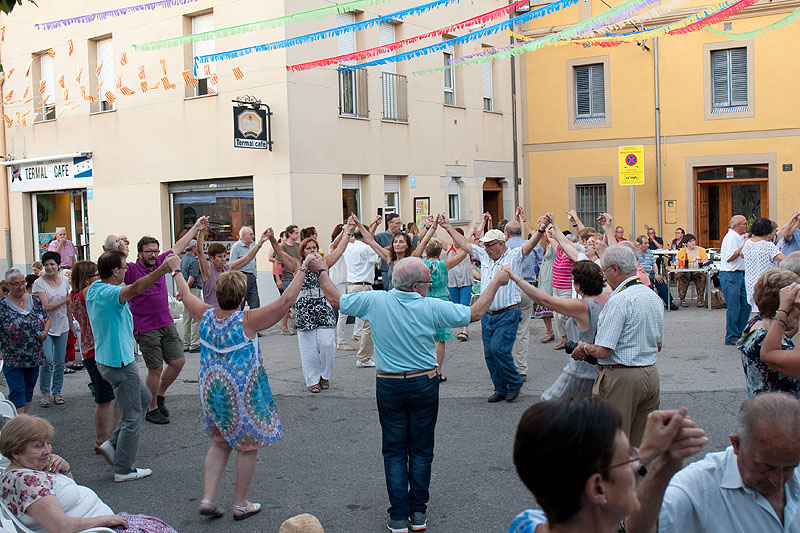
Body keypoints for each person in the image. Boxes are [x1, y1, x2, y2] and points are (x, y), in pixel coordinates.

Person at [313, 255, 514, 533]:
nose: (430, 287)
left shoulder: (375, 300)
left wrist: (321, 270)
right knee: (420, 450)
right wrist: (496, 282)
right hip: (423, 381)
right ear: (417, 285)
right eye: (428, 283)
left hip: (389, 383)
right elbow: (476, 312)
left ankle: (398, 516)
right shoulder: (431, 306)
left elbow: (336, 299)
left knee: (394, 450)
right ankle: (417, 513)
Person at [168, 254, 310, 521]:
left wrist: (176, 271)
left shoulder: (206, 315)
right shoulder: (247, 320)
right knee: (247, 446)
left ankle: (209, 497)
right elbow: (286, 301)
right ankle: (240, 502)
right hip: (241, 394)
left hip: (213, 391)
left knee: (219, 443)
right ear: (242, 295)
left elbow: (186, 295)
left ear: (217, 293)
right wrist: (303, 268)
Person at [510, 398, 707, 533]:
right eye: (630, 456)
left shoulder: (525, 523)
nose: (636, 464)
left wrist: (657, 459)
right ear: (597, 488)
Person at [637, 392, 800, 532]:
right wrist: (663, 467)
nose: (777, 481)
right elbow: (641, 529)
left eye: (789, 468)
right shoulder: (699, 486)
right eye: (766, 467)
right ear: (737, 444)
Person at [87, 249, 179, 482]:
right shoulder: (109, 292)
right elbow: (136, 288)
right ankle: (123, 469)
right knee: (132, 415)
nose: (127, 271)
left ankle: (112, 445)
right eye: (124, 268)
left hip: (111, 359)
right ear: (115, 271)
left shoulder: (95, 289)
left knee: (143, 398)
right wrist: (164, 269)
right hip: (118, 362)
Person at [0, 414, 179, 532]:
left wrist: (65, 471)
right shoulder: (28, 482)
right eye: (38, 446)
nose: (47, 450)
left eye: (47, 443)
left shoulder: (19, 471)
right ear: (16, 452)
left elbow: (66, 496)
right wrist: (105, 520)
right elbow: (61, 526)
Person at [442, 215, 544, 403]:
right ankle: (500, 388)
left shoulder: (513, 256)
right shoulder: (484, 255)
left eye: (490, 245)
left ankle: (514, 382)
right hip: (488, 314)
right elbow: (465, 245)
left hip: (508, 312)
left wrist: (541, 230)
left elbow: (530, 245)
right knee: (489, 353)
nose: (486, 248)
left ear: (502, 243)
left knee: (499, 349)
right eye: (485, 245)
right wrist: (448, 227)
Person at [572, 245, 664, 447]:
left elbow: (603, 350)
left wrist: (584, 348)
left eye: (604, 272)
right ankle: (637, 478)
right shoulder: (652, 297)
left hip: (622, 377)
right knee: (639, 444)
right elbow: (658, 344)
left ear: (615, 269)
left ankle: (613, 478)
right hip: (650, 373)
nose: (605, 278)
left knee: (612, 442)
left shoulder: (618, 301)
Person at [125, 217, 207, 425]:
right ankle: (151, 408)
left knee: (178, 361)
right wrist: (118, 247)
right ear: (139, 253)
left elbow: (178, 247)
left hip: (166, 322)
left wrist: (196, 227)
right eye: (149, 252)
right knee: (155, 368)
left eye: (155, 251)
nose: (153, 255)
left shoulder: (162, 261)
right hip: (145, 327)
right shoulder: (132, 270)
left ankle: (159, 395)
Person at [505, 261, 608, 400]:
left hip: (580, 372)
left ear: (577, 286)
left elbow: (545, 300)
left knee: (548, 406)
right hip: (599, 371)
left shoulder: (583, 306)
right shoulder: (608, 299)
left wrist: (516, 277)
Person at [268, 223, 351, 393]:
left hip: (324, 308)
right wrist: (271, 238)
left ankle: (324, 375)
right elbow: (281, 254)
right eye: (308, 249)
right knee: (309, 349)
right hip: (305, 310)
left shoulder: (325, 262)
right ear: (303, 252)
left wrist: (348, 232)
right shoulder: (297, 265)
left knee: (327, 344)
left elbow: (340, 249)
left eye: (314, 248)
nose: (312, 251)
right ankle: (312, 380)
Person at [70, 260, 120, 456]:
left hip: (88, 349)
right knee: (104, 399)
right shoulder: (86, 293)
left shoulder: (74, 295)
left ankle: (105, 437)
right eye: (95, 275)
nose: (99, 278)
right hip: (96, 350)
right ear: (88, 278)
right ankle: (102, 439)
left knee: (105, 396)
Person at [736, 268, 800, 397]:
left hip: (761, 410)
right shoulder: (764, 341)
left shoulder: (755, 325)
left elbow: (778, 337)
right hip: (780, 412)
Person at [419, 217, 468, 381]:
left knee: (426, 336)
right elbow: (463, 254)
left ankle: (425, 369)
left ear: (427, 251)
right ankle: (438, 371)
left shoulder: (421, 265)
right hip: (440, 301)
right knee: (440, 338)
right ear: (440, 251)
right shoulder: (444, 265)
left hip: (424, 300)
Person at [0, 269, 49, 414]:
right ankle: (17, 426)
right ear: (8, 285)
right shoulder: (2, 305)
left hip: (34, 355)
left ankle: (24, 421)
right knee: (17, 391)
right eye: (16, 284)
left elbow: (46, 319)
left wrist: (45, 332)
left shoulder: (35, 300)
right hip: (12, 357)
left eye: (23, 283)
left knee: (28, 390)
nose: (21, 286)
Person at [32, 251, 70, 408]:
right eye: (46, 265)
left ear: (58, 265)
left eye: (52, 264)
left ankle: (57, 392)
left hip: (63, 324)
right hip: (45, 326)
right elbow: (45, 306)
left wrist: (70, 320)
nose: (49, 267)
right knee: (47, 360)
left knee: (60, 361)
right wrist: (65, 299)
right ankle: (45, 393)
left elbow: (69, 305)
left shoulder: (65, 280)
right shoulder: (39, 283)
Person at [341, 224, 381, 368]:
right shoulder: (366, 248)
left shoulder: (349, 247)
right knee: (368, 324)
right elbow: (378, 257)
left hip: (351, 285)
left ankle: (361, 351)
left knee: (353, 318)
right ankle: (364, 357)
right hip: (363, 286)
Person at [197, 228, 267, 308]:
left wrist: (260, 242)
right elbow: (200, 252)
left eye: (224, 256)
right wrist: (201, 231)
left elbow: (247, 257)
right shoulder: (208, 272)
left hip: (232, 314)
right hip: (215, 315)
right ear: (212, 258)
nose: (223, 259)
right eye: (219, 257)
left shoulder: (227, 268)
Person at [506, 212, 538, 381]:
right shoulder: (528, 244)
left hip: (511, 289)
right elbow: (539, 253)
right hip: (529, 289)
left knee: (506, 330)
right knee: (523, 331)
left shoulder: (504, 246)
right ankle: (522, 368)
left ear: (506, 233)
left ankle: (507, 366)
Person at [719, 215, 750, 345]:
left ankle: (740, 332)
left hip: (738, 274)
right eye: (744, 223)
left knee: (746, 304)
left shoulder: (737, 237)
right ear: (737, 225)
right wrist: (743, 248)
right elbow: (729, 257)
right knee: (734, 306)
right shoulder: (731, 237)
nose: (746, 226)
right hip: (730, 274)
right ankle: (732, 336)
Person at [743, 217, 785, 314]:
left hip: (750, 282)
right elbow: (783, 259)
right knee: (769, 311)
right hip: (765, 281)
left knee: (759, 311)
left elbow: (742, 254)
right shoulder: (767, 245)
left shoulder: (748, 243)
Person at [328, 224, 356, 351]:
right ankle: (340, 341)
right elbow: (334, 244)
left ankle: (353, 335)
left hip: (347, 280)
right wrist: (343, 232)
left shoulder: (348, 247)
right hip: (338, 280)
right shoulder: (333, 247)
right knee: (343, 311)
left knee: (347, 310)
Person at [374, 213, 418, 290]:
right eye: (397, 223)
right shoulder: (381, 236)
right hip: (387, 271)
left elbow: (421, 238)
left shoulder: (404, 236)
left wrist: (429, 227)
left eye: (400, 223)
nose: (400, 225)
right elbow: (370, 240)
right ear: (389, 224)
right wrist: (375, 224)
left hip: (403, 271)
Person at [446, 227, 474, 343]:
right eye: (453, 237)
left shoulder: (466, 247)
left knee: (464, 306)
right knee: (456, 306)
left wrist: (483, 223)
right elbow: (435, 237)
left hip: (466, 281)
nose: (454, 240)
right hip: (452, 282)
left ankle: (465, 330)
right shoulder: (448, 247)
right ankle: (460, 329)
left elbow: (472, 233)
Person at [636, 235, 677, 310]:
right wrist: (645, 275)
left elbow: (654, 265)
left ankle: (669, 302)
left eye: (648, 243)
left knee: (660, 281)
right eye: (645, 243)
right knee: (649, 283)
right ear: (639, 245)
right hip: (640, 274)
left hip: (650, 272)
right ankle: (650, 304)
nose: (648, 245)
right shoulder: (634, 253)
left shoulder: (649, 252)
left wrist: (656, 274)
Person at [229, 226, 262, 311]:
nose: (253, 236)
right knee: (240, 303)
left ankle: (254, 323)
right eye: (250, 234)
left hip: (252, 277)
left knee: (255, 304)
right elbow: (232, 265)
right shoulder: (236, 247)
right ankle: (239, 322)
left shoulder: (250, 247)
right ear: (243, 236)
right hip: (241, 277)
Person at [278, 224, 301, 334]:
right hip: (287, 277)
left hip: (297, 277)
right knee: (287, 303)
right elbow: (276, 262)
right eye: (296, 233)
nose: (297, 235)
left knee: (298, 301)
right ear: (290, 234)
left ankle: (298, 324)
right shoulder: (283, 247)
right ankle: (284, 327)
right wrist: (278, 279)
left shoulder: (298, 246)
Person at [180, 239, 202, 353]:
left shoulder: (183, 259)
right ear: (193, 248)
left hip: (185, 290)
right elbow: (192, 278)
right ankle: (194, 343)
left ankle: (186, 343)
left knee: (187, 317)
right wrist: (187, 289)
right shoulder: (194, 261)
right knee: (196, 316)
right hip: (193, 290)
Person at [675, 234, 709, 307]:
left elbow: (706, 260)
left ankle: (700, 299)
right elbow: (676, 261)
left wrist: (700, 263)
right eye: (690, 241)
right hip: (685, 271)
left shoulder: (701, 250)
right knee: (682, 277)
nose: (693, 243)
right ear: (685, 244)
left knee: (701, 278)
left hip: (697, 271)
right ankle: (682, 299)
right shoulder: (682, 251)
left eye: (693, 240)